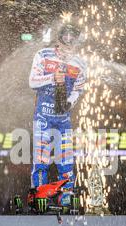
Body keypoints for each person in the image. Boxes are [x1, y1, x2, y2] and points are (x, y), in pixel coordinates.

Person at [29, 23, 86, 206]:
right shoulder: (43, 55)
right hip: (43, 117)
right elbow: (32, 82)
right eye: (65, 40)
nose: (68, 46)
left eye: (72, 42)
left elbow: (79, 89)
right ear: (58, 40)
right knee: (41, 161)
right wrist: (52, 77)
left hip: (63, 120)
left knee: (67, 161)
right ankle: (39, 195)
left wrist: (70, 102)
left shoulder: (79, 64)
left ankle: (67, 197)